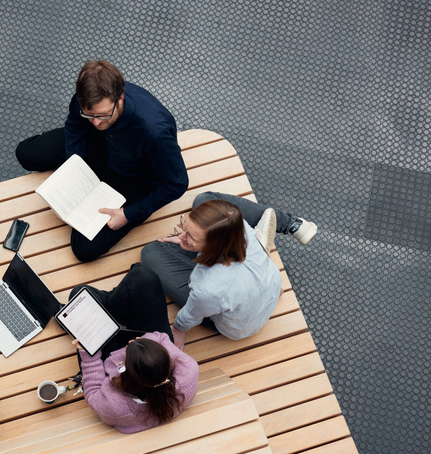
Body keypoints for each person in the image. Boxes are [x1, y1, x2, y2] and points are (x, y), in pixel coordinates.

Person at [16, 60, 189, 262]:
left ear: (120, 97)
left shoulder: (154, 132)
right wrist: (75, 163)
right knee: (26, 153)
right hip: (99, 145)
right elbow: (75, 125)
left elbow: (176, 184)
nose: (96, 122)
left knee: (83, 249)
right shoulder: (88, 100)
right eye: (89, 115)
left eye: (103, 115)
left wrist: (128, 214)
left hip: (135, 179)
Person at [141, 191, 318, 344]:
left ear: (213, 247)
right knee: (206, 200)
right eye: (184, 228)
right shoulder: (239, 227)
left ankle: (250, 249)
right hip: (269, 288)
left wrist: (179, 329)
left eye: (190, 237)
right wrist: (190, 240)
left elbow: (193, 313)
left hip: (237, 327)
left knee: (150, 253)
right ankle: (281, 230)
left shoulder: (207, 289)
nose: (181, 236)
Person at [69, 265, 199, 433]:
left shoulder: (115, 407)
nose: (131, 343)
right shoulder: (189, 373)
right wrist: (147, 341)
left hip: (105, 361)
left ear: (126, 375)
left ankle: (115, 305)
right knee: (143, 276)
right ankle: (117, 305)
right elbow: (161, 338)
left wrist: (88, 353)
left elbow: (93, 392)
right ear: (164, 361)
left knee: (80, 295)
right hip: (145, 361)